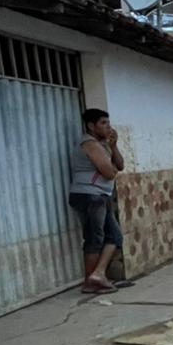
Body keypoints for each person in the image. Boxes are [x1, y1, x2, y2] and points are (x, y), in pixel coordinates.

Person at [68, 108, 125, 293]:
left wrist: (113, 145)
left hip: (100, 196)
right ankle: (90, 281)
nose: (108, 127)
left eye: (108, 123)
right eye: (103, 123)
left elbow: (120, 166)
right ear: (91, 126)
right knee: (94, 238)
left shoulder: (102, 145)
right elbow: (109, 173)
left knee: (114, 237)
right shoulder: (90, 144)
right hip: (89, 196)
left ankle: (98, 274)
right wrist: (111, 168)